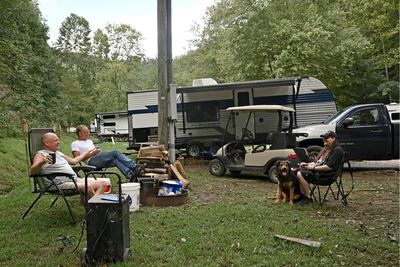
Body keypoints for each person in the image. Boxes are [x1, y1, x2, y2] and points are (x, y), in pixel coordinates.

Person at [30, 132, 106, 196]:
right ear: (47, 143)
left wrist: (87, 153)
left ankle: (92, 205)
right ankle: (97, 208)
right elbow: (32, 170)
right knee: (88, 186)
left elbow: (73, 161)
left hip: (74, 180)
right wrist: (42, 162)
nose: (59, 142)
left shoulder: (58, 153)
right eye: (56, 140)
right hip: (58, 185)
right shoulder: (40, 154)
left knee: (103, 183)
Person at [71, 125, 138, 181]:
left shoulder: (89, 141)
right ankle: (134, 166)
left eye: (88, 132)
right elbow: (77, 158)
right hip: (91, 161)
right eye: (86, 132)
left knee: (115, 160)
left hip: (99, 158)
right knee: (115, 152)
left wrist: (98, 151)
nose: (88, 133)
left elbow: (94, 151)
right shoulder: (75, 144)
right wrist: (91, 154)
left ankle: (130, 175)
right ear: (79, 133)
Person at [296, 131, 343, 205]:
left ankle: (307, 198)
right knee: (297, 170)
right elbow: (316, 163)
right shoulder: (326, 149)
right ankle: (300, 196)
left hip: (326, 176)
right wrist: (307, 164)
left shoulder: (337, 151)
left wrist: (313, 168)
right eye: (324, 141)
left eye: (326, 141)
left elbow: (329, 167)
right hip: (319, 173)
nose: (325, 143)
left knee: (300, 173)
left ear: (333, 138)